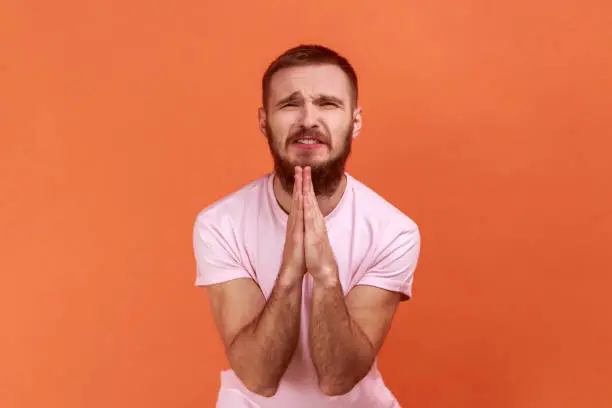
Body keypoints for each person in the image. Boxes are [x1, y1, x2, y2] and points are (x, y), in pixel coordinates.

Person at [192, 44, 421, 407]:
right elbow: (258, 378)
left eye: (328, 103)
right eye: (289, 104)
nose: (308, 120)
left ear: (355, 122)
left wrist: (325, 274)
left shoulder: (394, 231)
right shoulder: (220, 224)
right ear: (264, 121)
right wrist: (289, 274)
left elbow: (337, 378)